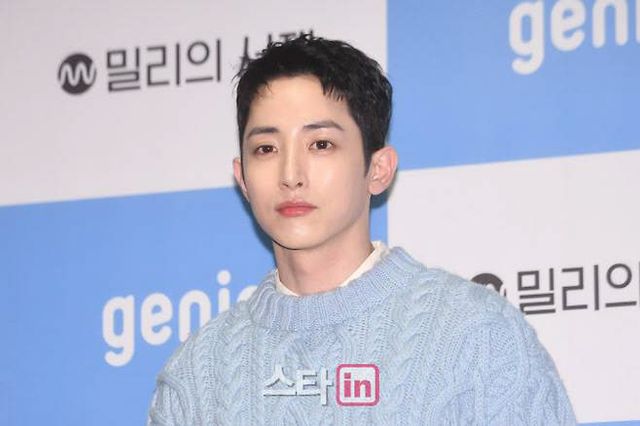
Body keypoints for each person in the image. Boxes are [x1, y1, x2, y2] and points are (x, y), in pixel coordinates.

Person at [147, 34, 576, 425]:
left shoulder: (476, 336)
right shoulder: (198, 372)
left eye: (321, 144)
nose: (291, 175)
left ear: (379, 169)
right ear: (242, 177)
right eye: (266, 148)